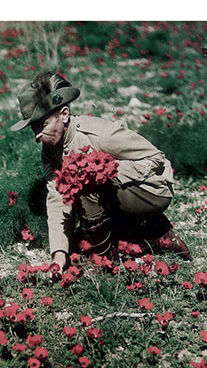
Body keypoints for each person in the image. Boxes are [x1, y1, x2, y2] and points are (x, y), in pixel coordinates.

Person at [10, 71, 191, 270]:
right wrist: (59, 255)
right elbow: (57, 198)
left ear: (64, 115)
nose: (37, 136)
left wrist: (107, 171)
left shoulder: (101, 135)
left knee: (85, 186)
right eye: (33, 129)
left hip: (153, 191)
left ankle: (106, 261)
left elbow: (156, 159)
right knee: (78, 240)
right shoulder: (50, 150)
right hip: (119, 194)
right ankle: (156, 234)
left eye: (42, 126)